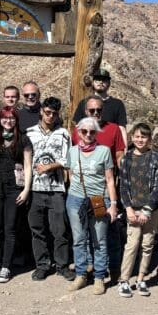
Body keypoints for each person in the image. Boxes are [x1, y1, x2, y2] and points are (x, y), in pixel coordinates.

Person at [70, 95, 126, 282]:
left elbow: (119, 156)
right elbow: (72, 169)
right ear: (85, 111)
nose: (95, 113)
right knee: (82, 236)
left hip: (103, 192)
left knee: (106, 236)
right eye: (91, 110)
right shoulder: (75, 137)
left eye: (99, 110)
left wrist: (115, 197)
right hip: (79, 194)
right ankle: (86, 269)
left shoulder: (113, 129)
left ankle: (114, 270)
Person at [65, 117, 119, 295]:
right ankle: (81, 275)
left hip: (98, 200)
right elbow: (70, 174)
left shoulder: (104, 151)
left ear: (97, 133)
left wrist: (113, 204)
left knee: (99, 241)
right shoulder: (72, 152)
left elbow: (110, 180)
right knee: (79, 239)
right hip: (76, 200)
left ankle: (99, 277)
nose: (88, 135)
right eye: (84, 131)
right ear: (78, 132)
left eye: (92, 132)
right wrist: (78, 191)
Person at [26, 96, 73, 281]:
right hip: (35, 188)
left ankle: (62, 265)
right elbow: (25, 159)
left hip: (56, 188)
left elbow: (67, 159)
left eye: (54, 113)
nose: (50, 116)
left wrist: (50, 166)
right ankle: (42, 265)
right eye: (47, 112)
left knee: (59, 229)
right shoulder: (29, 133)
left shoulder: (63, 134)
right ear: (41, 111)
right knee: (37, 229)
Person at [117, 123, 158, 297]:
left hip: (150, 210)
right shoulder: (127, 158)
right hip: (132, 209)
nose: (140, 140)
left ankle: (141, 278)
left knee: (147, 244)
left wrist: (147, 210)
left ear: (149, 139)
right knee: (132, 244)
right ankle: (124, 280)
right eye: (137, 136)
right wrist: (128, 208)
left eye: (143, 137)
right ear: (131, 137)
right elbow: (123, 186)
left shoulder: (154, 158)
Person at [0, 106, 32, 283]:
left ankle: (6, 266)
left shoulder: (23, 139)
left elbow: (28, 166)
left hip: (15, 188)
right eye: (5, 118)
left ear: (16, 120)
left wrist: (26, 189)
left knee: (10, 229)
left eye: (12, 118)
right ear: (0, 119)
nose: (8, 121)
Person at [72, 69, 128, 145]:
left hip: (110, 148)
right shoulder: (84, 103)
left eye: (104, 80)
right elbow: (77, 127)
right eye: (98, 79)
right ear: (93, 82)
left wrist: (124, 148)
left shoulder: (117, 104)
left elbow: (122, 128)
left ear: (109, 83)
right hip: (86, 148)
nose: (101, 82)